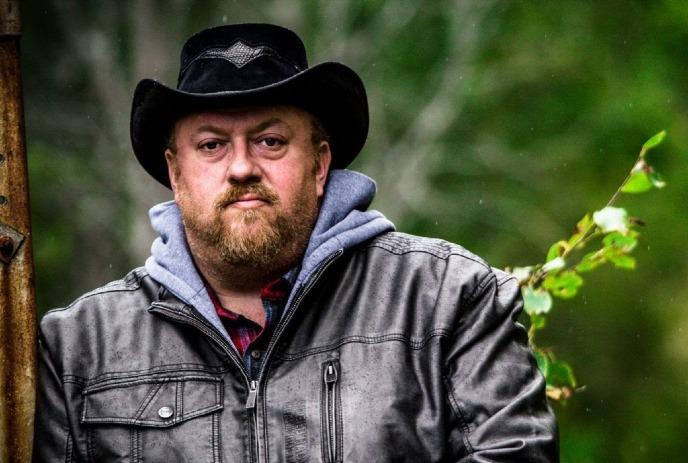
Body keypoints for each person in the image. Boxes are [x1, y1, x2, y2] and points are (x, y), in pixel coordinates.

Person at [33, 23, 558, 462]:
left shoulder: (448, 300)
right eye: (212, 145)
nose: (242, 167)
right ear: (175, 173)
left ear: (320, 163)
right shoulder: (79, 348)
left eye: (270, 141)